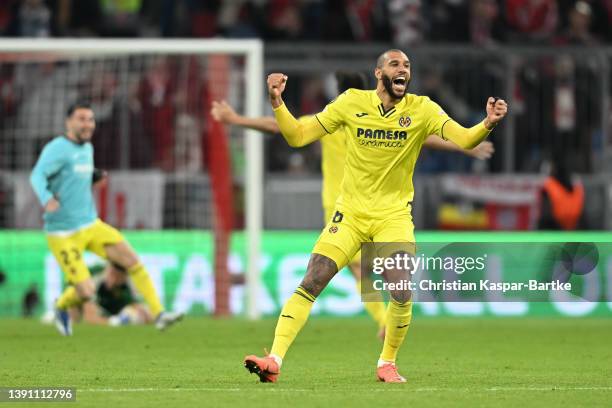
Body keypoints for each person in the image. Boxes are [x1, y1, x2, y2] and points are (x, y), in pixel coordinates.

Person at [244, 49, 507, 383]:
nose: (403, 70)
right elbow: (297, 136)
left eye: (408, 65)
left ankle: (387, 363)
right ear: (379, 72)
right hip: (350, 214)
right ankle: (274, 360)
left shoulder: (422, 109)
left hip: (392, 216)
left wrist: (487, 124)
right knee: (313, 278)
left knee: (401, 288)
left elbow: (465, 139)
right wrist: (277, 101)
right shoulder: (351, 102)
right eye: (395, 64)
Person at [211, 72, 494, 339]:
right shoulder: (365, 115)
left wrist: (236, 119)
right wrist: (463, 145)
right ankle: (386, 320)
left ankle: (384, 320)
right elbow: (423, 138)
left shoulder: (335, 117)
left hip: (343, 206)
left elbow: (281, 127)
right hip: (372, 205)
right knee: (371, 269)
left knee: (361, 270)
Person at [30, 102, 183, 336]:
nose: (87, 124)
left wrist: (93, 177)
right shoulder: (57, 148)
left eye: (90, 119)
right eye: (81, 119)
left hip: (91, 225)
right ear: (68, 122)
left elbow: (73, 177)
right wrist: (46, 198)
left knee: (132, 260)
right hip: (62, 233)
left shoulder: (87, 149)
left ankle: (159, 314)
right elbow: (37, 175)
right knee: (86, 291)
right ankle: (61, 306)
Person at [69, 262, 153, 326]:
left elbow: (144, 311)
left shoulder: (127, 285)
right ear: (108, 268)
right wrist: (114, 322)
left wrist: (142, 315)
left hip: (108, 307)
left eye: (118, 276)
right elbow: (90, 317)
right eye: (112, 273)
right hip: (83, 299)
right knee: (74, 303)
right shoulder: (94, 278)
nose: (114, 278)